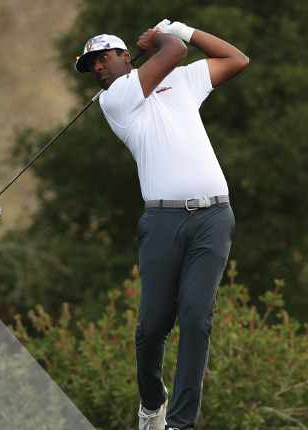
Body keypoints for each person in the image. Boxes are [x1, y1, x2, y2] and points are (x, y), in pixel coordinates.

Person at [75, 19, 249, 430]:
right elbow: (174, 52)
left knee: (195, 319)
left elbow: (236, 59)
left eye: (103, 58)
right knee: (152, 327)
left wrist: (186, 30)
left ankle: (179, 424)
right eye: (90, 66)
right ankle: (152, 402)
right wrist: (164, 38)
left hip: (213, 216)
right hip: (162, 220)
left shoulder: (183, 82)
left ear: (123, 56)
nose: (98, 68)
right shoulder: (115, 99)